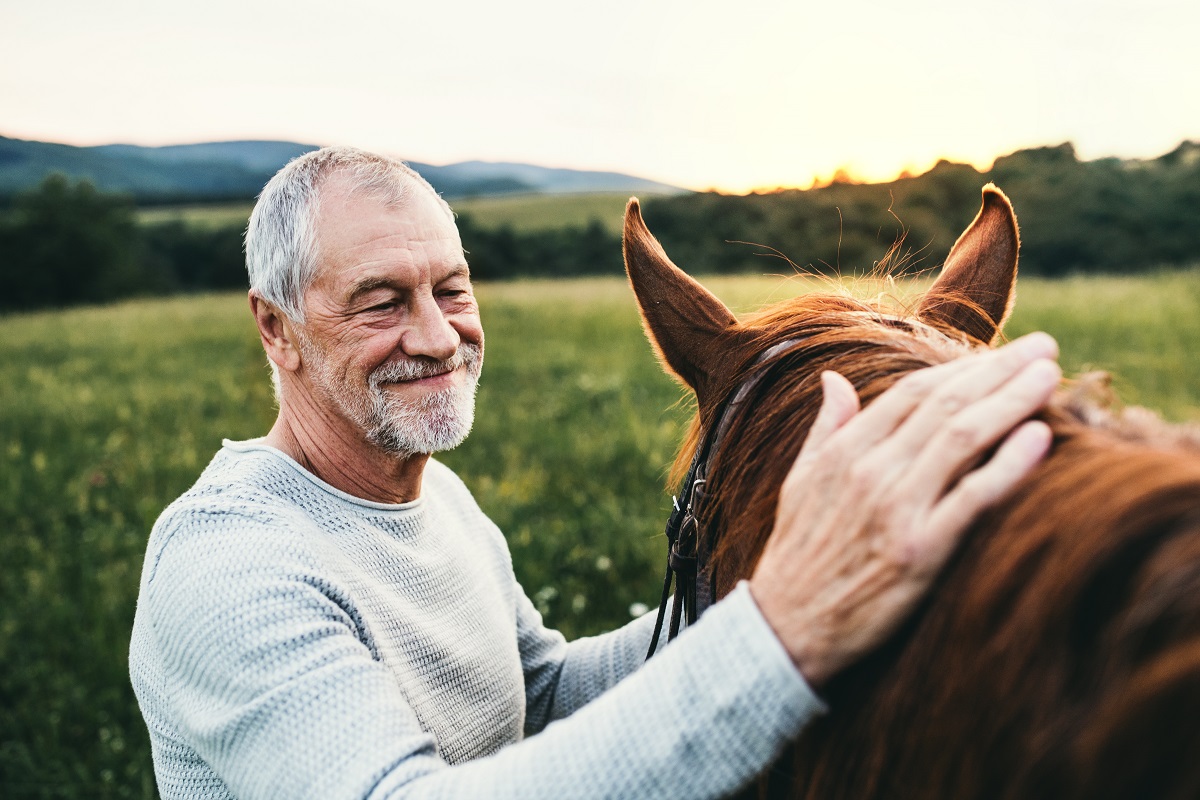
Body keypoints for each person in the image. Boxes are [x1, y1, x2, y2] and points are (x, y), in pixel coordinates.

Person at [129, 147, 1061, 799]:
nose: (435, 335)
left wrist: (747, 586)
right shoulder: (231, 571)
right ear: (274, 327)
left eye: (451, 290)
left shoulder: (434, 499)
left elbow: (537, 700)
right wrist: (782, 631)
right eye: (379, 303)